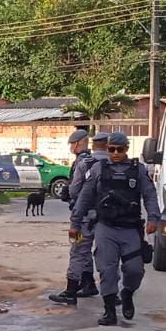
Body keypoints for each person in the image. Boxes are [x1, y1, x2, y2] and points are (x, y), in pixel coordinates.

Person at [70, 131, 160, 326]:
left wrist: (153, 217)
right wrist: (75, 223)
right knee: (107, 269)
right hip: (106, 227)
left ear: (127, 149)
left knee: (135, 270)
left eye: (120, 149)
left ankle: (127, 293)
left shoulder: (138, 170)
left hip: (130, 228)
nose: (116, 153)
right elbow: (84, 197)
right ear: (107, 149)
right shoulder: (98, 169)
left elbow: (150, 195)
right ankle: (109, 310)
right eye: (112, 150)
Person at [48, 129, 103, 305]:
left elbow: (74, 190)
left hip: (80, 217)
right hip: (102, 216)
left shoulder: (81, 162)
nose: (71, 147)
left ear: (79, 144)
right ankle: (88, 283)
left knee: (77, 250)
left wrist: (68, 194)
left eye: (72, 144)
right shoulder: (104, 161)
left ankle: (71, 290)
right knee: (97, 252)